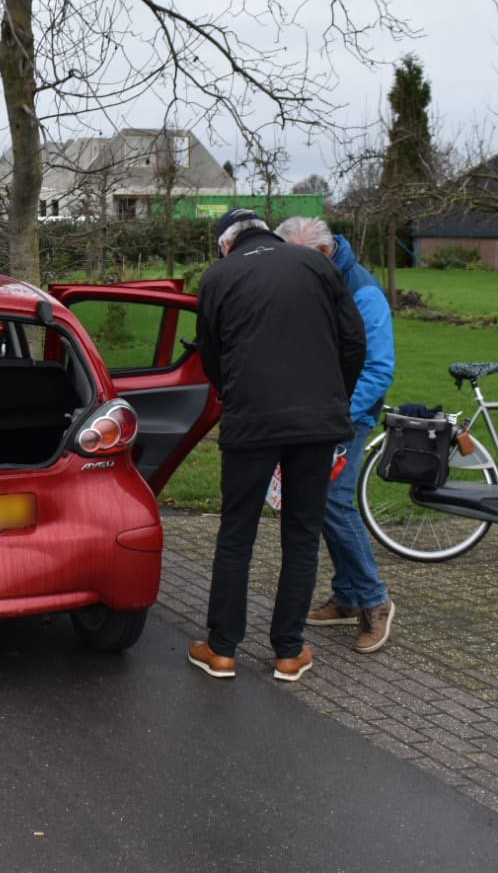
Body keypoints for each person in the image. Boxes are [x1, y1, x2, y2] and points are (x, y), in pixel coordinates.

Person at [187, 208, 365, 683]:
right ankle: (289, 651)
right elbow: (353, 342)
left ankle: (222, 649)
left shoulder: (218, 276)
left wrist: (237, 392)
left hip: (252, 423)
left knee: (236, 535)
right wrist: (332, 399)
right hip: (317, 423)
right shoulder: (318, 265)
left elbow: (211, 355)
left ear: (226, 243)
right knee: (301, 535)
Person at [276, 217, 397, 653]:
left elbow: (379, 367)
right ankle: (347, 596)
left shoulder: (363, 292)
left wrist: (338, 414)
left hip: (346, 417)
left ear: (324, 254)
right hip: (318, 412)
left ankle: (373, 600)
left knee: (333, 502)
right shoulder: (318, 277)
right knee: (323, 503)